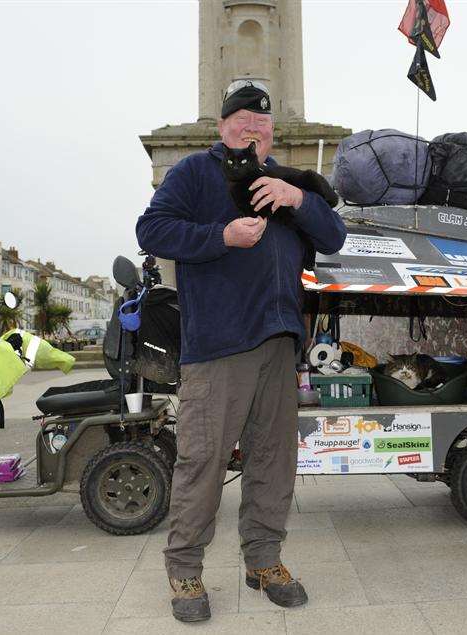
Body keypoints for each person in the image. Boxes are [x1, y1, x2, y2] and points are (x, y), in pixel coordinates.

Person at [136, 79, 347, 623]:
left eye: (262, 124)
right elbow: (152, 228)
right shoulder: (194, 173)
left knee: (274, 461)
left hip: (280, 345)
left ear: (271, 131)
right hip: (218, 347)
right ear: (222, 126)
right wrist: (220, 237)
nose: (253, 129)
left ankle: (264, 560)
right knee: (203, 461)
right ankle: (184, 569)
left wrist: (298, 199)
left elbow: (334, 236)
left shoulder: (285, 179)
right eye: (243, 122)